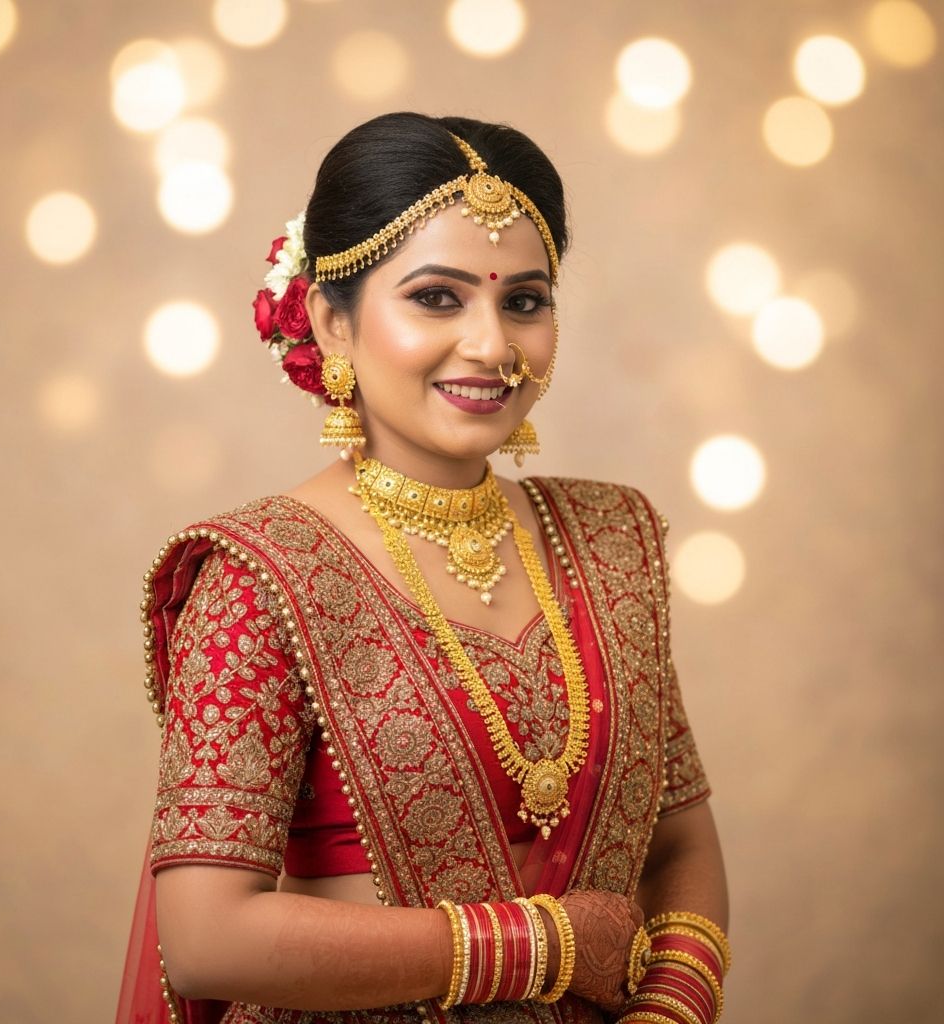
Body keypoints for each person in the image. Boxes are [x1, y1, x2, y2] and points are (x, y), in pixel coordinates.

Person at [117, 112, 730, 1024]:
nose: (491, 346)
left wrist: (671, 1007)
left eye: (524, 300)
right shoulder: (260, 576)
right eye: (437, 298)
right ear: (332, 320)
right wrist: (542, 945)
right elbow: (209, 939)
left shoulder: (612, 540)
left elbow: (679, 841)